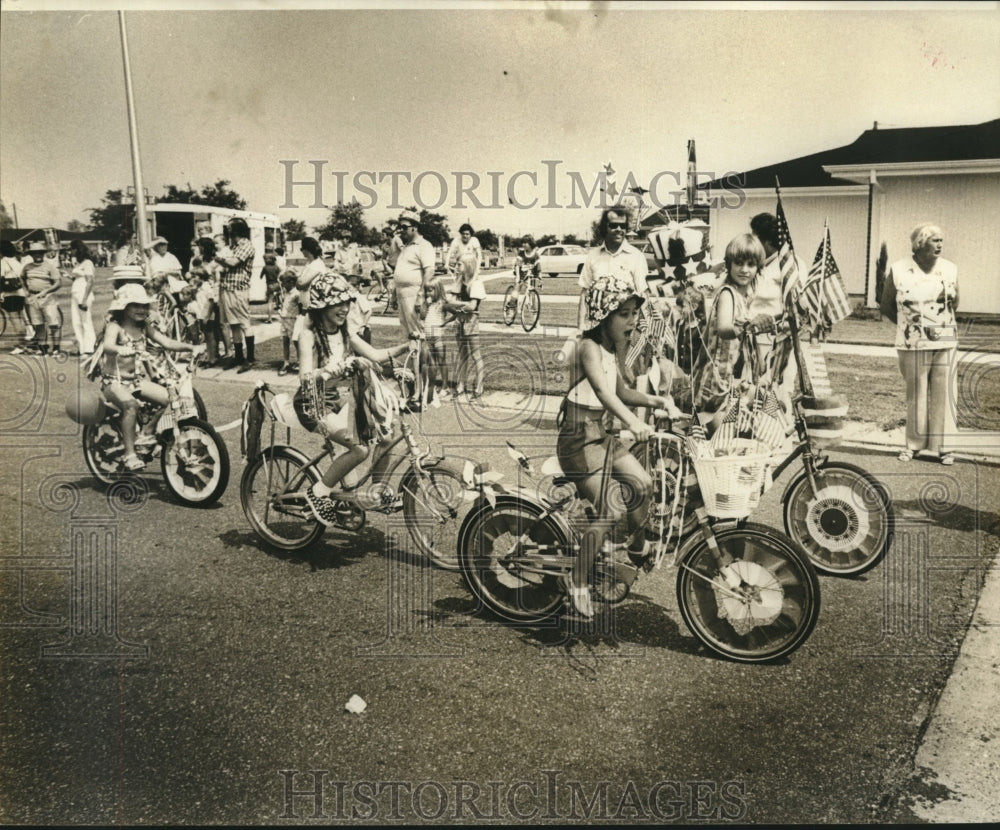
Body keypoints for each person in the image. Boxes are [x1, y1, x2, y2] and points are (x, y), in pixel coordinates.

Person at [557, 275, 678, 618]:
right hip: (577, 440)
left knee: (644, 484)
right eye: (623, 314)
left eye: (633, 313)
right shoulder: (588, 347)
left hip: (601, 436)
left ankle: (636, 549)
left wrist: (659, 402)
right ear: (603, 315)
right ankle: (577, 579)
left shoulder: (612, 350)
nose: (632, 321)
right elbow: (604, 394)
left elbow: (622, 390)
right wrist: (634, 423)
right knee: (611, 510)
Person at [296, 272, 417, 526]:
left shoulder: (344, 331)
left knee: (386, 433)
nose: (345, 308)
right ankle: (317, 492)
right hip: (313, 403)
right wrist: (331, 369)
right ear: (323, 306)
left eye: (346, 302)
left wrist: (406, 346)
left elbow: (375, 355)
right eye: (338, 303)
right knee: (360, 448)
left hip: (338, 398)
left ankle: (376, 493)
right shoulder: (309, 334)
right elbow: (305, 378)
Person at [100, 284, 204, 471]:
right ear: (123, 307)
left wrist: (191, 347)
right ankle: (130, 454)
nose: (142, 310)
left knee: (171, 399)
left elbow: (166, 342)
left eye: (144, 306)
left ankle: (147, 434)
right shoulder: (115, 327)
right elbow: (107, 346)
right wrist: (119, 349)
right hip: (114, 382)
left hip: (135, 381)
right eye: (136, 306)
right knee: (130, 405)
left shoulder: (144, 327)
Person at [879, 222, 959, 465]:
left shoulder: (950, 269)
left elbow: (954, 303)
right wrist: (910, 327)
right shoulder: (899, 269)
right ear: (920, 243)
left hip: (944, 339)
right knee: (916, 394)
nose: (940, 244)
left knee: (944, 394)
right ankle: (913, 445)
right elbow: (887, 306)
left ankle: (945, 448)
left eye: (941, 240)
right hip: (911, 341)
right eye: (935, 240)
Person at [691, 234, 765, 434]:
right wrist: (746, 325)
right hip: (717, 378)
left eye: (751, 264)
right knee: (722, 441)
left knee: (762, 412)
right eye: (739, 263)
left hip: (734, 377)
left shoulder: (744, 296)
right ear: (729, 264)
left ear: (758, 267)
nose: (744, 269)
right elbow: (724, 329)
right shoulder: (727, 294)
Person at [748, 212, 804, 410]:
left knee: (776, 397)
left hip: (777, 343)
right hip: (751, 342)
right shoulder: (754, 265)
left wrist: (773, 321)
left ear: (768, 241)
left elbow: (799, 310)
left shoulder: (789, 266)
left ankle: (781, 439)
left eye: (755, 237)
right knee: (752, 396)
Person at [214, 218, 257, 373]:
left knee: (244, 322)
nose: (229, 231)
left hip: (239, 289)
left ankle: (250, 358)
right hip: (227, 287)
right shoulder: (233, 246)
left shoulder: (246, 245)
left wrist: (216, 257)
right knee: (233, 324)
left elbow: (233, 263)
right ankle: (239, 356)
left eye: (230, 228)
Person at [444, 255, 485, 400]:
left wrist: (454, 304)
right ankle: (461, 384)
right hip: (459, 321)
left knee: (475, 355)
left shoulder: (476, 283)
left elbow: (472, 306)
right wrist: (457, 305)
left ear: (468, 265)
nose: (456, 267)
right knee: (462, 354)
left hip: (470, 321)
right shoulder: (459, 282)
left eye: (459, 264)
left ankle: (479, 386)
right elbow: (450, 302)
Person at [20, 241, 63, 355]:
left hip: (48, 298)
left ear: (43, 254)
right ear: (31, 255)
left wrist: (47, 291)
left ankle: (56, 348)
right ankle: (43, 348)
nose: (37, 255)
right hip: (33, 297)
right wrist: (26, 291)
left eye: (40, 253)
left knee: (53, 324)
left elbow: (58, 283)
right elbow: (22, 279)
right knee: (38, 324)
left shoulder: (50, 267)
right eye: (35, 253)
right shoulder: (27, 267)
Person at [420, 278, 450, 406]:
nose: (428, 293)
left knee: (442, 361)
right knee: (431, 363)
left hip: (438, 337)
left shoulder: (442, 303)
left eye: (431, 291)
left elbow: (452, 311)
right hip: (428, 338)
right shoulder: (427, 304)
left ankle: (445, 386)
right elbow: (422, 316)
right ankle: (432, 385)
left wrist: (446, 323)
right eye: (426, 291)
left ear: (437, 290)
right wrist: (424, 304)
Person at [68, 240, 96, 357]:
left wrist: (84, 299)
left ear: (78, 249)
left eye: (72, 249)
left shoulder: (88, 263)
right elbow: (78, 279)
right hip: (75, 293)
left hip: (83, 294)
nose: (71, 251)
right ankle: (82, 348)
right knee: (76, 322)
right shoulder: (79, 264)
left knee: (85, 321)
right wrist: (69, 276)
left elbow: (90, 281)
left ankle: (89, 348)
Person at [276, 270, 301, 376]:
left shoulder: (296, 294)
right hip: (284, 319)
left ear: (291, 282)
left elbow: (300, 308)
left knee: (296, 341)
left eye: (285, 282)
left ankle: (300, 361)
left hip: (293, 320)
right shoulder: (285, 293)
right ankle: (286, 362)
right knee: (285, 340)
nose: (283, 285)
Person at [506, 235, 539, 312]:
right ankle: (511, 304)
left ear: (530, 243)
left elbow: (538, 266)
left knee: (532, 291)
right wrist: (517, 276)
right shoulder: (521, 253)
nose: (523, 244)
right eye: (523, 243)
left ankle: (531, 308)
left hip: (530, 275)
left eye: (525, 243)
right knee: (517, 289)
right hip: (521, 273)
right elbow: (517, 265)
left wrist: (538, 276)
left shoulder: (535, 254)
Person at [261, 253, 282, 322]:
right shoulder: (276, 267)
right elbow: (280, 274)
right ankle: (281, 315)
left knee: (270, 302)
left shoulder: (265, 267)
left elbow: (260, 276)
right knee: (279, 301)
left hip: (270, 285)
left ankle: (269, 318)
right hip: (276, 284)